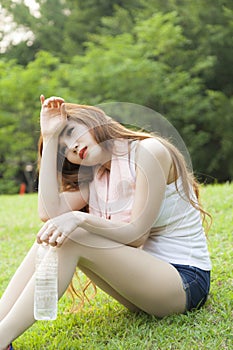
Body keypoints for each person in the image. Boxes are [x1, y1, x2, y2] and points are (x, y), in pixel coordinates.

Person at [0, 95, 212, 350]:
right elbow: (48, 212)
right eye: (64, 149)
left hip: (185, 283)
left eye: (71, 132)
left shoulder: (150, 152)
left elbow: (136, 235)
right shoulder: (98, 179)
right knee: (52, 234)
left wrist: (79, 218)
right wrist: (51, 135)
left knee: (73, 235)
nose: (73, 147)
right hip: (143, 286)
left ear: (94, 122)